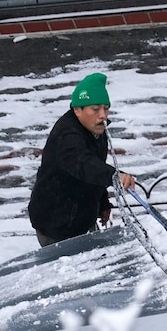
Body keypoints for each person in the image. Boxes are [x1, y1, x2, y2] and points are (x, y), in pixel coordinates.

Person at [28, 72, 137, 246]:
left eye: (105, 108)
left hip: (80, 216)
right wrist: (114, 176)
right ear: (77, 110)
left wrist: (102, 202)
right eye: (95, 109)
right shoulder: (67, 136)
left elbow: (95, 165)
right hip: (56, 222)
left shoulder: (96, 129)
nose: (102, 115)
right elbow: (83, 164)